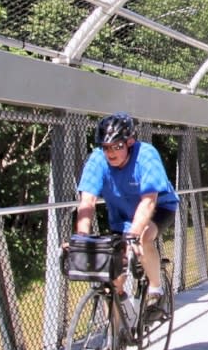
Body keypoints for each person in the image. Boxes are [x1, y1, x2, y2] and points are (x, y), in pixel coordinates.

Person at [74, 112, 179, 319]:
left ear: (130, 142)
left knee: (142, 237)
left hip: (158, 209)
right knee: (111, 281)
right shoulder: (97, 160)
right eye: (105, 148)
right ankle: (114, 339)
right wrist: (81, 237)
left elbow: (149, 200)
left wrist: (133, 233)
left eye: (117, 147)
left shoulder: (146, 156)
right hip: (121, 217)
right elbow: (87, 202)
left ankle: (156, 291)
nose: (110, 153)